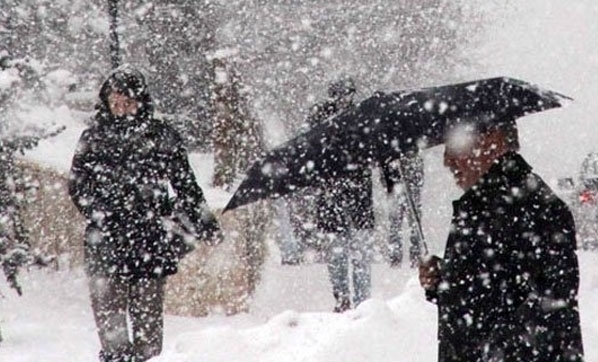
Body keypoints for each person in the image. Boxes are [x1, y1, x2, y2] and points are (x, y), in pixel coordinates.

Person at [68, 66, 220, 362]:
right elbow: (77, 185)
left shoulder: (161, 136)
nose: (121, 110)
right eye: (115, 104)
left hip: (149, 238)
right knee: (109, 315)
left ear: (141, 102)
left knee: (147, 323)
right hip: (107, 239)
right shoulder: (94, 137)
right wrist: (101, 213)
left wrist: (205, 223)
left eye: (127, 103)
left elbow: (186, 186)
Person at [418, 116, 584, 361]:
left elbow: (549, 304)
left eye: (454, 145)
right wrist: (443, 280)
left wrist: (491, 350)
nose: (447, 161)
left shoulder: (532, 208)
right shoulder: (481, 205)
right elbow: (491, 288)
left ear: (493, 140)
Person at [308, 77, 375, 313]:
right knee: (342, 253)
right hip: (336, 194)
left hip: (351, 195)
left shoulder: (361, 118)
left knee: (356, 253)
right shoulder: (324, 120)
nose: (346, 99)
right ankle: (346, 299)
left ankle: (359, 301)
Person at [381, 150, 424, 267]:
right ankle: (396, 258)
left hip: (410, 182)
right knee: (396, 224)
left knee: (413, 222)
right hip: (395, 184)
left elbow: (418, 164)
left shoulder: (410, 148)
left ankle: (415, 256)